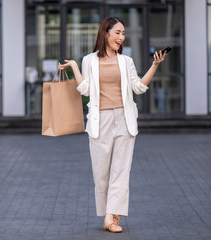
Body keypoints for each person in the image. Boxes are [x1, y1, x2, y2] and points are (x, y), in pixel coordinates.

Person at [58, 16, 167, 233]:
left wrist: (154, 65)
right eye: (117, 32)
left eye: (123, 33)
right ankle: (110, 213)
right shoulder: (89, 60)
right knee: (101, 174)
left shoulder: (126, 61)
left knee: (121, 170)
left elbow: (138, 87)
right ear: (105, 33)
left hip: (124, 120)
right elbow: (86, 90)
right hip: (100, 121)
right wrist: (74, 67)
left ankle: (111, 218)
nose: (121, 37)